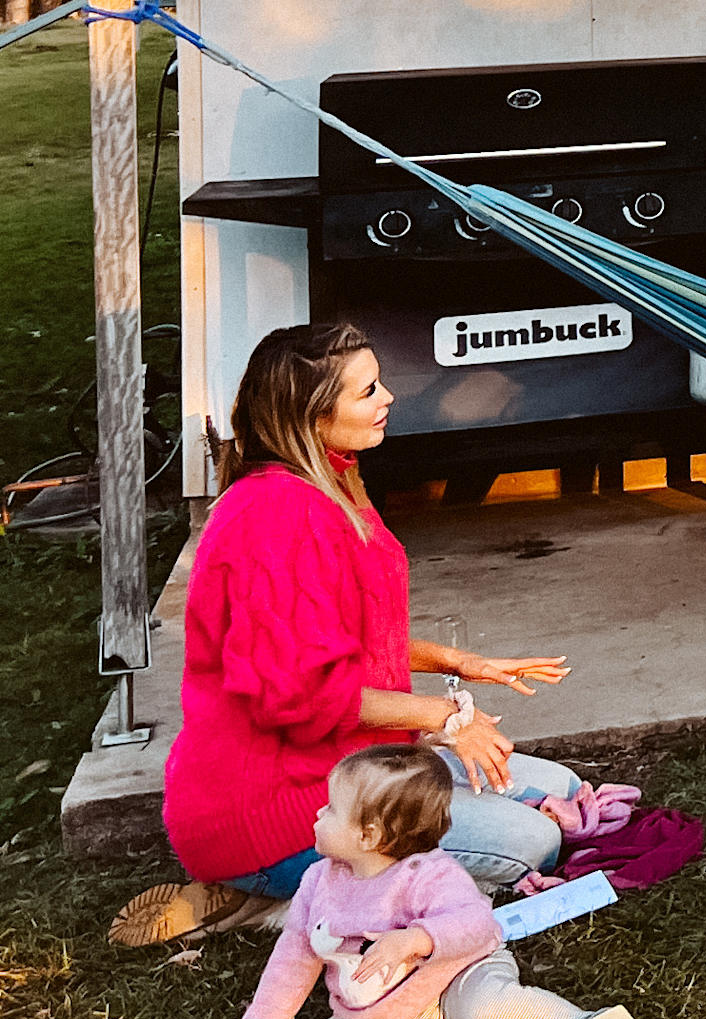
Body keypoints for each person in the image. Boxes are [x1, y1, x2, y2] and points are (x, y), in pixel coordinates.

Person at [121, 322, 583, 945]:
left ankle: (280, 892)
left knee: (563, 789)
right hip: (277, 810)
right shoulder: (276, 517)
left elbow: (346, 640)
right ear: (312, 415)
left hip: (346, 769)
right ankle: (270, 893)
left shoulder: (329, 482)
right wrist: (447, 717)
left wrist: (462, 661)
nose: (388, 396)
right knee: (535, 841)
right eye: (367, 391)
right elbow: (298, 692)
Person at [206, 743, 598, 1019]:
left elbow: (478, 923)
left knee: (484, 1011)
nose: (318, 815)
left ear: (367, 835)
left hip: (456, 982)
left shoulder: (428, 874)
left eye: (331, 809)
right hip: (377, 1015)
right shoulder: (318, 882)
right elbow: (295, 953)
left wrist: (418, 939)